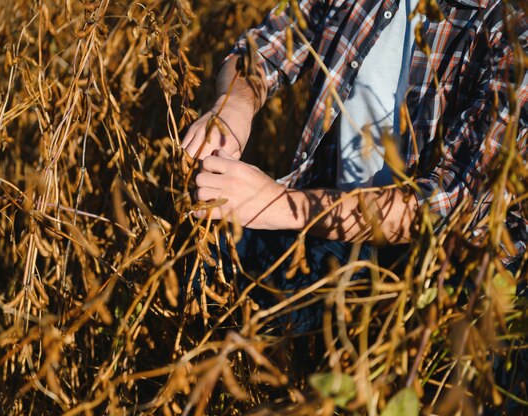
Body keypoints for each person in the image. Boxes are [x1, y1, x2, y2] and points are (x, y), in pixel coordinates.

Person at [181, 0, 527, 333]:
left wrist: (276, 203)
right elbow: (261, 50)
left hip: (435, 270)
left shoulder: (512, 31)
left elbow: (442, 211)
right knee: (204, 253)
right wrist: (234, 106)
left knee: (264, 309)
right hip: (328, 219)